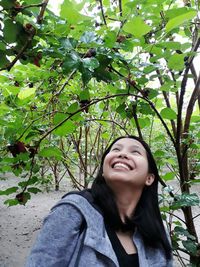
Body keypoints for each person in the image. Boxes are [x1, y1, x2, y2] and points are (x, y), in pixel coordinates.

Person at [25, 135, 173, 267]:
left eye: (135, 152)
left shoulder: (158, 232)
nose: (122, 154)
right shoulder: (72, 211)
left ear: (149, 178)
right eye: (115, 149)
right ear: (103, 170)